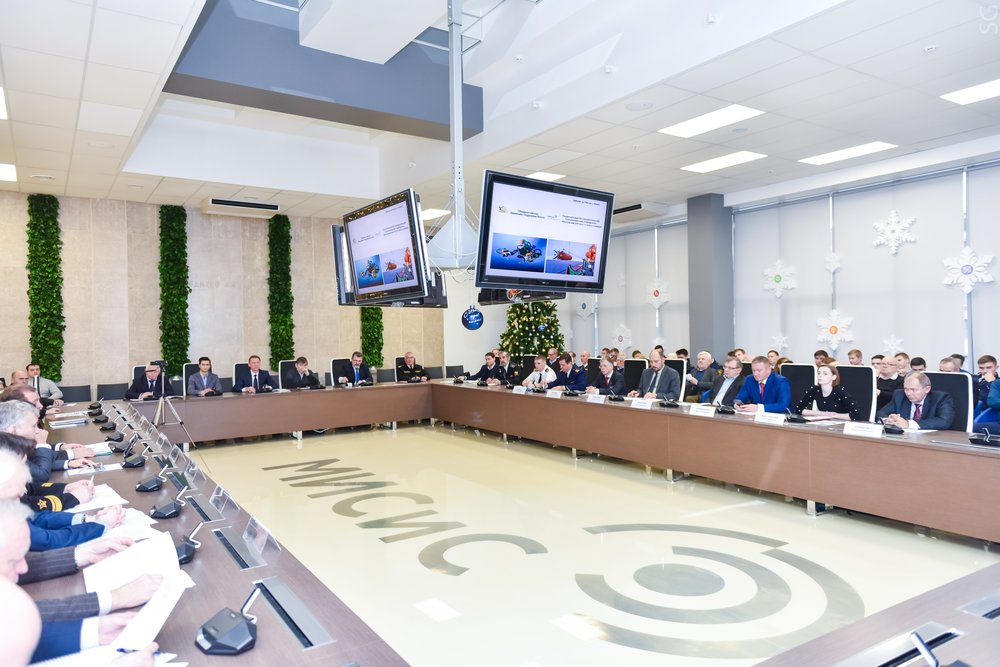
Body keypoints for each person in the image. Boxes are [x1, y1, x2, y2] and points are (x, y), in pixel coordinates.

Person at [877, 371, 956, 430]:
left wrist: (908, 424)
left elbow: (944, 421)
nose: (908, 393)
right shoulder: (899, 395)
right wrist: (888, 420)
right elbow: (880, 413)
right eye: (906, 389)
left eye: (913, 389)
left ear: (927, 389)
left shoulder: (940, 398)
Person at [792, 364, 862, 420]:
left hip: (842, 424)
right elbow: (799, 409)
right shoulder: (815, 389)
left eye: (825, 374)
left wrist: (834, 415)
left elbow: (857, 415)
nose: (820, 376)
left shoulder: (840, 391)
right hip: (824, 423)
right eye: (819, 373)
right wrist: (821, 413)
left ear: (834, 377)